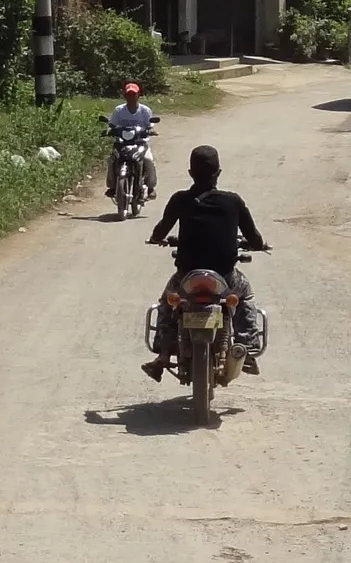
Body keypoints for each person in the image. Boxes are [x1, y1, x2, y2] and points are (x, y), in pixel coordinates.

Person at [143, 145, 270, 381]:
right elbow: (253, 236)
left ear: (191, 173)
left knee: (168, 302)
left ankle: (162, 354)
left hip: (187, 276)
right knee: (245, 296)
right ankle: (248, 348)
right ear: (218, 173)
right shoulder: (233, 201)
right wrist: (257, 244)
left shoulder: (180, 199)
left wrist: (157, 239)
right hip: (225, 276)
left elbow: (161, 229)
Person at [105, 82, 157, 199]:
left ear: (139, 95)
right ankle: (112, 187)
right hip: (121, 143)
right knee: (112, 160)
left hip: (140, 143)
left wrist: (150, 130)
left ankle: (151, 188)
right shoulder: (119, 110)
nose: (131, 97)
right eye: (128, 95)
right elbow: (112, 124)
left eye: (133, 95)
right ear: (125, 96)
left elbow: (150, 125)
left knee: (148, 160)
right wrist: (109, 130)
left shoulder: (145, 111)